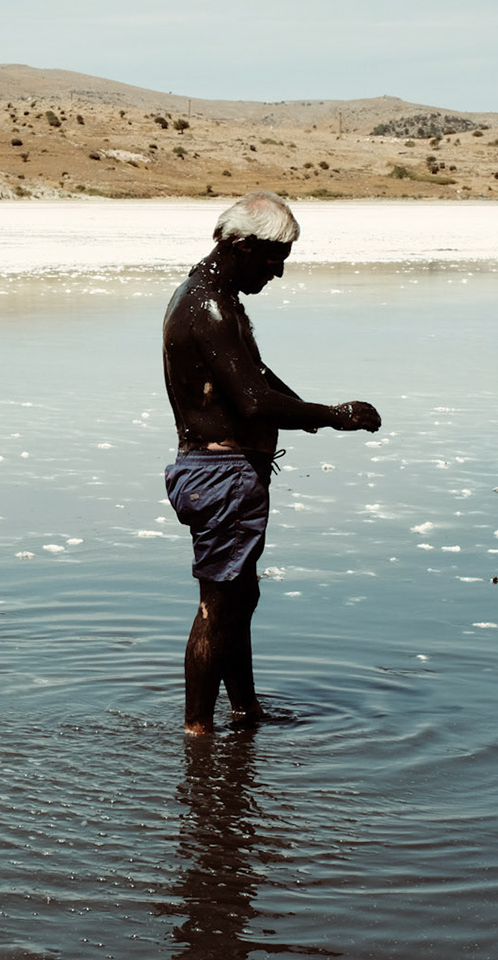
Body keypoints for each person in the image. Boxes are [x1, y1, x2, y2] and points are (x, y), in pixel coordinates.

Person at [161, 191, 381, 735]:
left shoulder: (213, 298)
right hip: (221, 475)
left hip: (221, 472)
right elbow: (255, 401)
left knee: (240, 595)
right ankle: (198, 733)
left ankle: (245, 711)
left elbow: (256, 381)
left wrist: (308, 414)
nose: (278, 273)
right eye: (273, 259)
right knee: (220, 601)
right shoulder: (207, 304)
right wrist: (336, 415)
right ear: (241, 246)